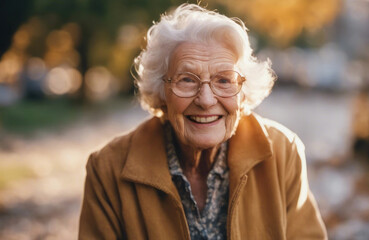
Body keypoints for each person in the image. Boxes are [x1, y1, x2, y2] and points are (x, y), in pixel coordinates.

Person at [79, 4, 327, 240]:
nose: (206, 100)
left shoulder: (283, 153)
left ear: (243, 93)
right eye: (187, 80)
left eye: (224, 80)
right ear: (162, 92)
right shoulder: (108, 169)